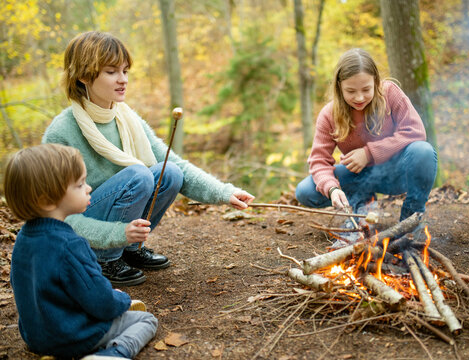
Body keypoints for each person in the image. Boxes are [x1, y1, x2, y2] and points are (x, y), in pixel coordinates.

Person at [43, 31, 254, 286]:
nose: (123, 80)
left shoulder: (126, 118)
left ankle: (129, 250)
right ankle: (104, 259)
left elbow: (175, 164)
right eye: (111, 72)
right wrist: (113, 234)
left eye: (125, 71)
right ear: (84, 76)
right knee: (139, 174)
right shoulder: (61, 131)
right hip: (84, 228)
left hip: (119, 222)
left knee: (169, 172)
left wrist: (223, 193)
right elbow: (58, 216)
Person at [4, 144, 158, 359]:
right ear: (46, 200)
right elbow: (100, 302)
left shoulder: (23, 238)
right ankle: (113, 354)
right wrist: (120, 300)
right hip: (73, 336)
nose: (88, 188)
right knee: (146, 320)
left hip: (36, 337)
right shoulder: (71, 244)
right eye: (79, 185)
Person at [295, 48, 437, 222]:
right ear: (339, 87)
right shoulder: (329, 114)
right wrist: (332, 189)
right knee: (305, 191)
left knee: (423, 151)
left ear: (376, 82)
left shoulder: (390, 93)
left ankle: (410, 220)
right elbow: (319, 161)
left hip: (396, 173)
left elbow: (415, 131)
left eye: (366, 89)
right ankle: (363, 205)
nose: (359, 97)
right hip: (358, 177)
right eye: (351, 91)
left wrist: (368, 153)